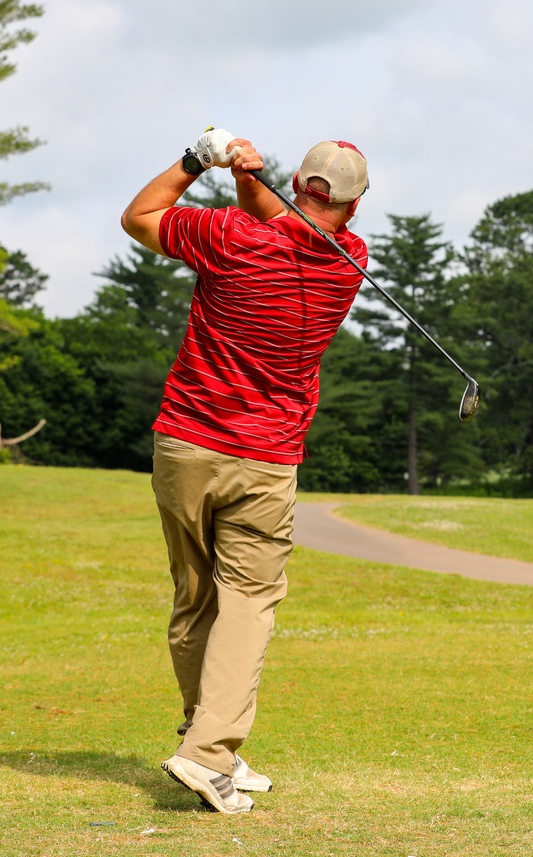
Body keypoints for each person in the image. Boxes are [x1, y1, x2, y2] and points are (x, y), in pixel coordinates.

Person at [120, 128, 369, 814]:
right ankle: (206, 752)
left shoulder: (229, 236)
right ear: (354, 205)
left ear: (297, 186)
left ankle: (207, 741)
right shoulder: (351, 259)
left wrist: (204, 160)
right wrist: (246, 178)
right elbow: (293, 228)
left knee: (195, 595)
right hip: (264, 457)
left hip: (183, 445)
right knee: (249, 601)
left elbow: (138, 216)